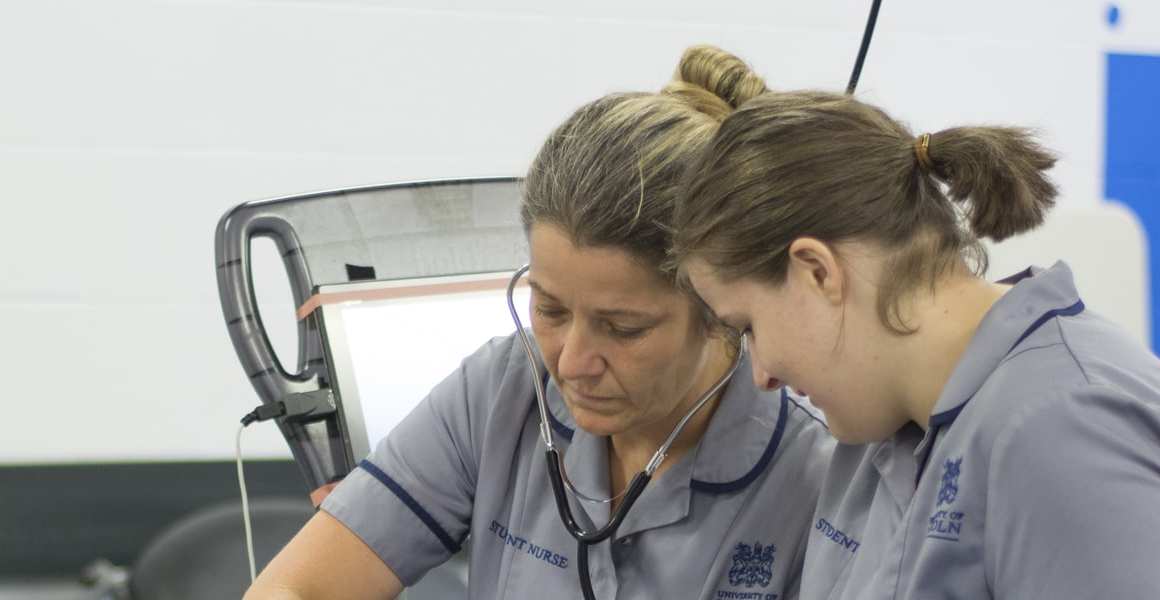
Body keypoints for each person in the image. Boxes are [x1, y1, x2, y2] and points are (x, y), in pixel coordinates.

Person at [245, 46, 832, 600]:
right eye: (550, 309)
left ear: (720, 312)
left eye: (623, 328)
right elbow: (293, 588)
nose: (571, 363)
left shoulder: (816, 475)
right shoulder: (501, 392)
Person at [670, 90, 1160, 599]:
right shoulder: (882, 434)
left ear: (817, 273)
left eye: (748, 327)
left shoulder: (1065, 429)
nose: (763, 375)